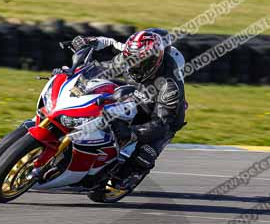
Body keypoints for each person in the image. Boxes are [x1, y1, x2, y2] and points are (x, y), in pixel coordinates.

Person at [70, 29, 187, 190]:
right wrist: (76, 74)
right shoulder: (133, 56)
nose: (134, 66)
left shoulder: (170, 87)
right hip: (136, 95)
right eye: (131, 60)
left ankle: (130, 175)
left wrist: (133, 133)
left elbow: (162, 123)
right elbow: (105, 66)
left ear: (155, 61)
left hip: (162, 118)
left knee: (144, 155)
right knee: (99, 98)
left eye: (140, 63)